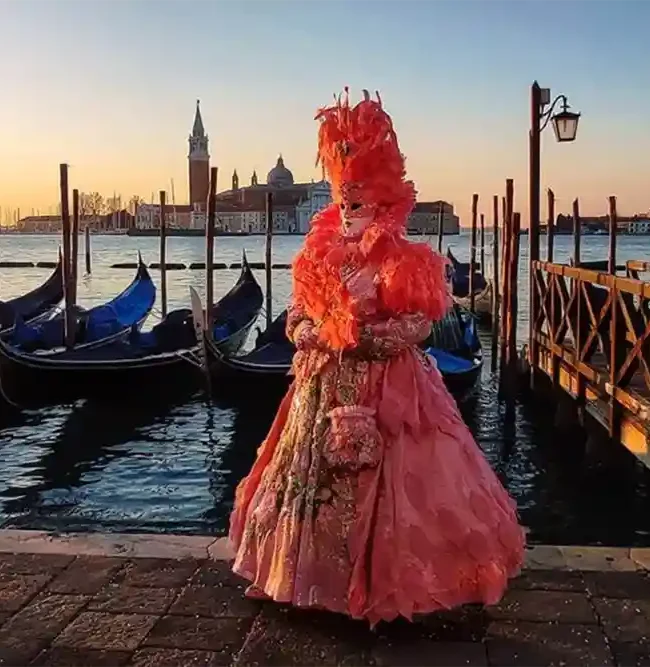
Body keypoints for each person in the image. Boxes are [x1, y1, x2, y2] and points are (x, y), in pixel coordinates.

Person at [229, 89, 525, 626]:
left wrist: (354, 339)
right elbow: (295, 316)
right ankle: (305, 580)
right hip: (319, 389)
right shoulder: (316, 257)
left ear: (384, 204)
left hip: (386, 391)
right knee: (307, 482)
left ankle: (382, 586)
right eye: (343, 202)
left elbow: (415, 327)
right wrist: (310, 333)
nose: (348, 213)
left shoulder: (405, 260)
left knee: (392, 483)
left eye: (358, 203)